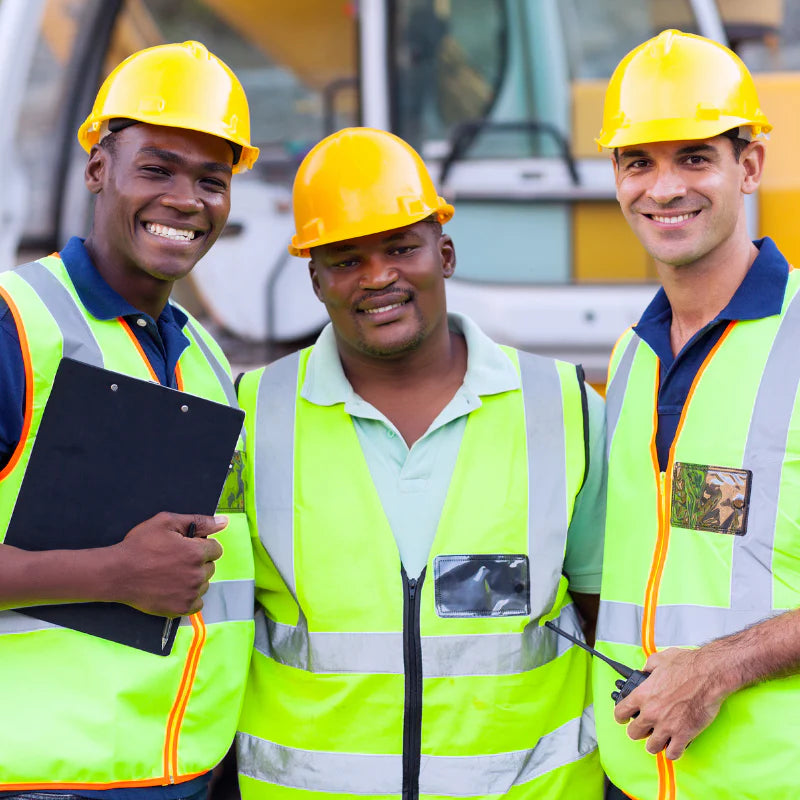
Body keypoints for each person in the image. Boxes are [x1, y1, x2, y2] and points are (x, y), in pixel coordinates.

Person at [234, 127, 607, 799]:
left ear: (446, 253)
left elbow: (609, 614)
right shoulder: (251, 417)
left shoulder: (565, 409)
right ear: (315, 278)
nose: (378, 276)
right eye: (346, 260)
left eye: (401, 248)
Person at [0, 42, 257, 798]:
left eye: (212, 180)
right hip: (40, 781)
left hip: (183, 774)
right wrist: (112, 572)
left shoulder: (204, 356)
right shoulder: (16, 325)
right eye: (158, 168)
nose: (187, 199)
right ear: (98, 170)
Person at [593, 29, 800, 800]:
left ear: (749, 167)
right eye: (638, 161)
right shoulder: (632, 358)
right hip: (633, 778)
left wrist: (721, 666)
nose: (663, 188)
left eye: (695, 158)